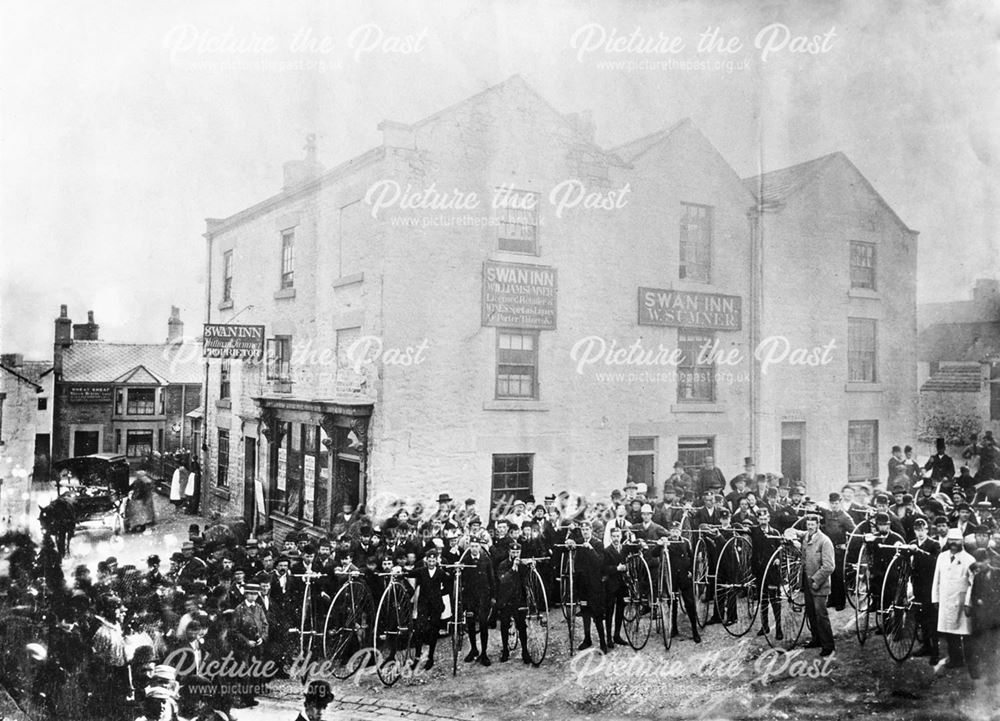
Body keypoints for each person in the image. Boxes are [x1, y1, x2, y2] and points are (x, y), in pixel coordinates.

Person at [790, 512, 835, 656]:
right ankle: (816, 639)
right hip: (807, 584)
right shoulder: (806, 536)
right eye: (808, 525)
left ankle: (828, 645)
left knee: (821, 615)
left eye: (812, 525)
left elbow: (829, 566)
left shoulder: (824, 541)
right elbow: (794, 531)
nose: (810, 527)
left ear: (818, 525)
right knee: (811, 613)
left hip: (819, 585)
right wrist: (789, 533)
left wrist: (816, 581)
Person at [931, 527, 976, 669]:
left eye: (957, 540)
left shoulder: (969, 559)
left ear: (962, 541)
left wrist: (969, 602)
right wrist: (935, 599)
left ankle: (969, 661)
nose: (954, 543)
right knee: (950, 633)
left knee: (965, 632)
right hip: (945, 600)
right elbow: (936, 579)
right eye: (951, 540)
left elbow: (972, 584)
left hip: (961, 601)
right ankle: (955, 659)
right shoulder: (942, 557)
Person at [496, 543, 535, 663]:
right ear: (509, 552)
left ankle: (525, 651)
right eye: (513, 552)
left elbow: (529, 578)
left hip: (519, 600)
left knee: (521, 625)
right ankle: (505, 651)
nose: (515, 555)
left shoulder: (523, 564)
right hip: (506, 600)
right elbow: (502, 580)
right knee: (504, 625)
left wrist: (532, 566)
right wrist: (513, 568)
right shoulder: (503, 564)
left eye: (517, 552)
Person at [910, 517, 942, 663]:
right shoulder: (912, 543)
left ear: (927, 530)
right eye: (917, 530)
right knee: (921, 616)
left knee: (932, 618)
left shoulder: (934, 544)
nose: (920, 533)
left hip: (930, 585)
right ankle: (926, 646)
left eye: (922, 530)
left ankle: (935, 652)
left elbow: (936, 562)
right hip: (917, 585)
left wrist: (920, 552)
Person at [231, 582, 268, 707]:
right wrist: (246, 641)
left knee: (255, 671)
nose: (252, 596)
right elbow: (234, 630)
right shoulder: (239, 609)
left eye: (255, 594)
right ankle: (243, 699)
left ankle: (250, 697)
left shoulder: (258, 608)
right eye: (250, 594)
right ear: (245, 594)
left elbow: (265, 624)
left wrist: (262, 637)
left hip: (257, 645)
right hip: (243, 647)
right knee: (244, 673)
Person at [663, 520, 701, 643]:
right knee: (672, 602)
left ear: (680, 531)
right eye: (673, 531)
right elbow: (654, 554)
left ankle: (695, 631)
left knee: (690, 603)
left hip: (685, 577)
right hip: (672, 578)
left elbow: (692, 557)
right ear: (670, 531)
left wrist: (691, 571)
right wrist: (661, 544)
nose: (675, 533)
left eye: (677, 531)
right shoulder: (666, 543)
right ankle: (674, 628)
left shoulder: (685, 542)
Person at [461, 537, 496, 666]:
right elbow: (461, 580)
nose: (474, 548)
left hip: (483, 596)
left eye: (476, 546)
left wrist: (493, 596)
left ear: (480, 547)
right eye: (472, 546)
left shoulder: (486, 560)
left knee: (483, 623)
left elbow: (492, 579)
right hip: (470, 596)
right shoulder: (465, 560)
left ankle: (484, 653)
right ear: (469, 547)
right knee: (470, 622)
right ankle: (473, 649)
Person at [602, 525, 629, 647]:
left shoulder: (624, 549)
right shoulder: (607, 550)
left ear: (621, 536)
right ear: (610, 537)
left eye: (618, 536)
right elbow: (603, 568)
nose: (616, 538)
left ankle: (617, 635)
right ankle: (608, 638)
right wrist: (616, 568)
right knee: (609, 611)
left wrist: (626, 569)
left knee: (620, 610)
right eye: (613, 536)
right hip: (611, 585)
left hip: (623, 585)